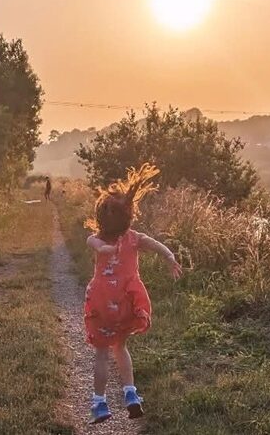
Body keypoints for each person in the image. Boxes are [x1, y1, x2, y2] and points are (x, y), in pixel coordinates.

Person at [83, 163, 182, 424]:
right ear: (129, 215)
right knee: (121, 347)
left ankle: (99, 403)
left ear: (100, 217)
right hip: (127, 303)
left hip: (103, 304)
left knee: (103, 353)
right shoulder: (135, 238)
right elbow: (157, 245)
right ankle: (131, 394)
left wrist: (103, 250)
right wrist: (170, 258)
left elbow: (90, 242)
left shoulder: (98, 239)